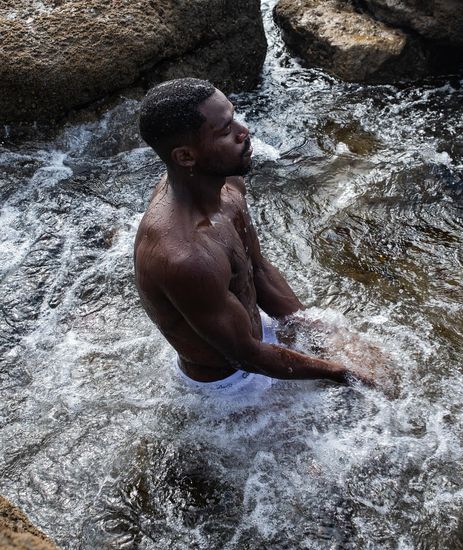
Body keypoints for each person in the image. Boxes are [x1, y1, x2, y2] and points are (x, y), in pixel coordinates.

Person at [134, 78, 371, 391]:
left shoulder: (228, 185)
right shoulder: (184, 257)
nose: (244, 132)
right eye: (226, 130)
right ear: (186, 157)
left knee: (383, 370)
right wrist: (342, 373)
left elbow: (257, 270)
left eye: (234, 117)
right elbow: (246, 355)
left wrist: (308, 329)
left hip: (254, 341)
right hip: (227, 386)